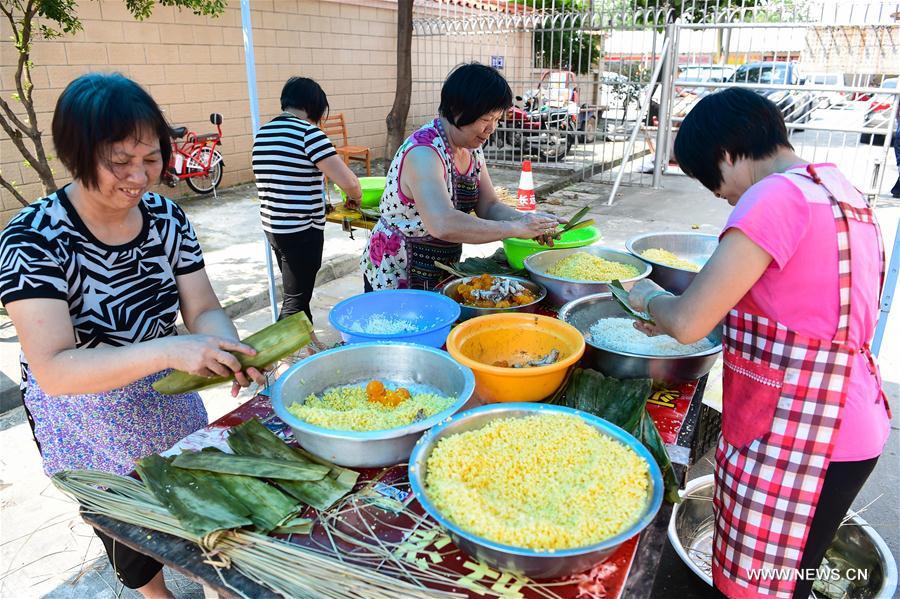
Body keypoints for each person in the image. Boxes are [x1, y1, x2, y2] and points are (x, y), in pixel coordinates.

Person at [0, 73, 267, 598]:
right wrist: (172, 349)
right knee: (131, 533)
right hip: (84, 414)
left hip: (166, 394)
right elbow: (54, 367)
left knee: (190, 502)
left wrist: (224, 346)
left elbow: (204, 307)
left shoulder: (167, 218)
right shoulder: (34, 237)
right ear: (77, 155)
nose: (140, 176)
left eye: (151, 159)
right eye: (120, 161)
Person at [627, 88, 890, 599]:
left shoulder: (775, 197)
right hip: (853, 422)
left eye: (715, 182)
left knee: (766, 586)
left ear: (728, 154)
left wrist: (645, 296)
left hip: (806, 434)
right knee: (792, 577)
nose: (723, 198)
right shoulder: (842, 192)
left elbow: (688, 321)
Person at [360, 63, 560, 291]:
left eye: (497, 120)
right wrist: (515, 228)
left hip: (441, 267)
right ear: (457, 109)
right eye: (486, 119)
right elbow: (443, 223)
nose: (491, 129)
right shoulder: (423, 152)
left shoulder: (471, 148)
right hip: (396, 272)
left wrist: (530, 222)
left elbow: (489, 205)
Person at [252, 77, 361, 327]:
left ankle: (307, 347)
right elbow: (350, 183)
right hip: (301, 231)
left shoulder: (263, 133)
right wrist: (356, 199)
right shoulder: (309, 133)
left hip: (273, 228)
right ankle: (281, 360)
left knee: (299, 296)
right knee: (295, 303)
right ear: (314, 107)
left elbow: (286, 180)